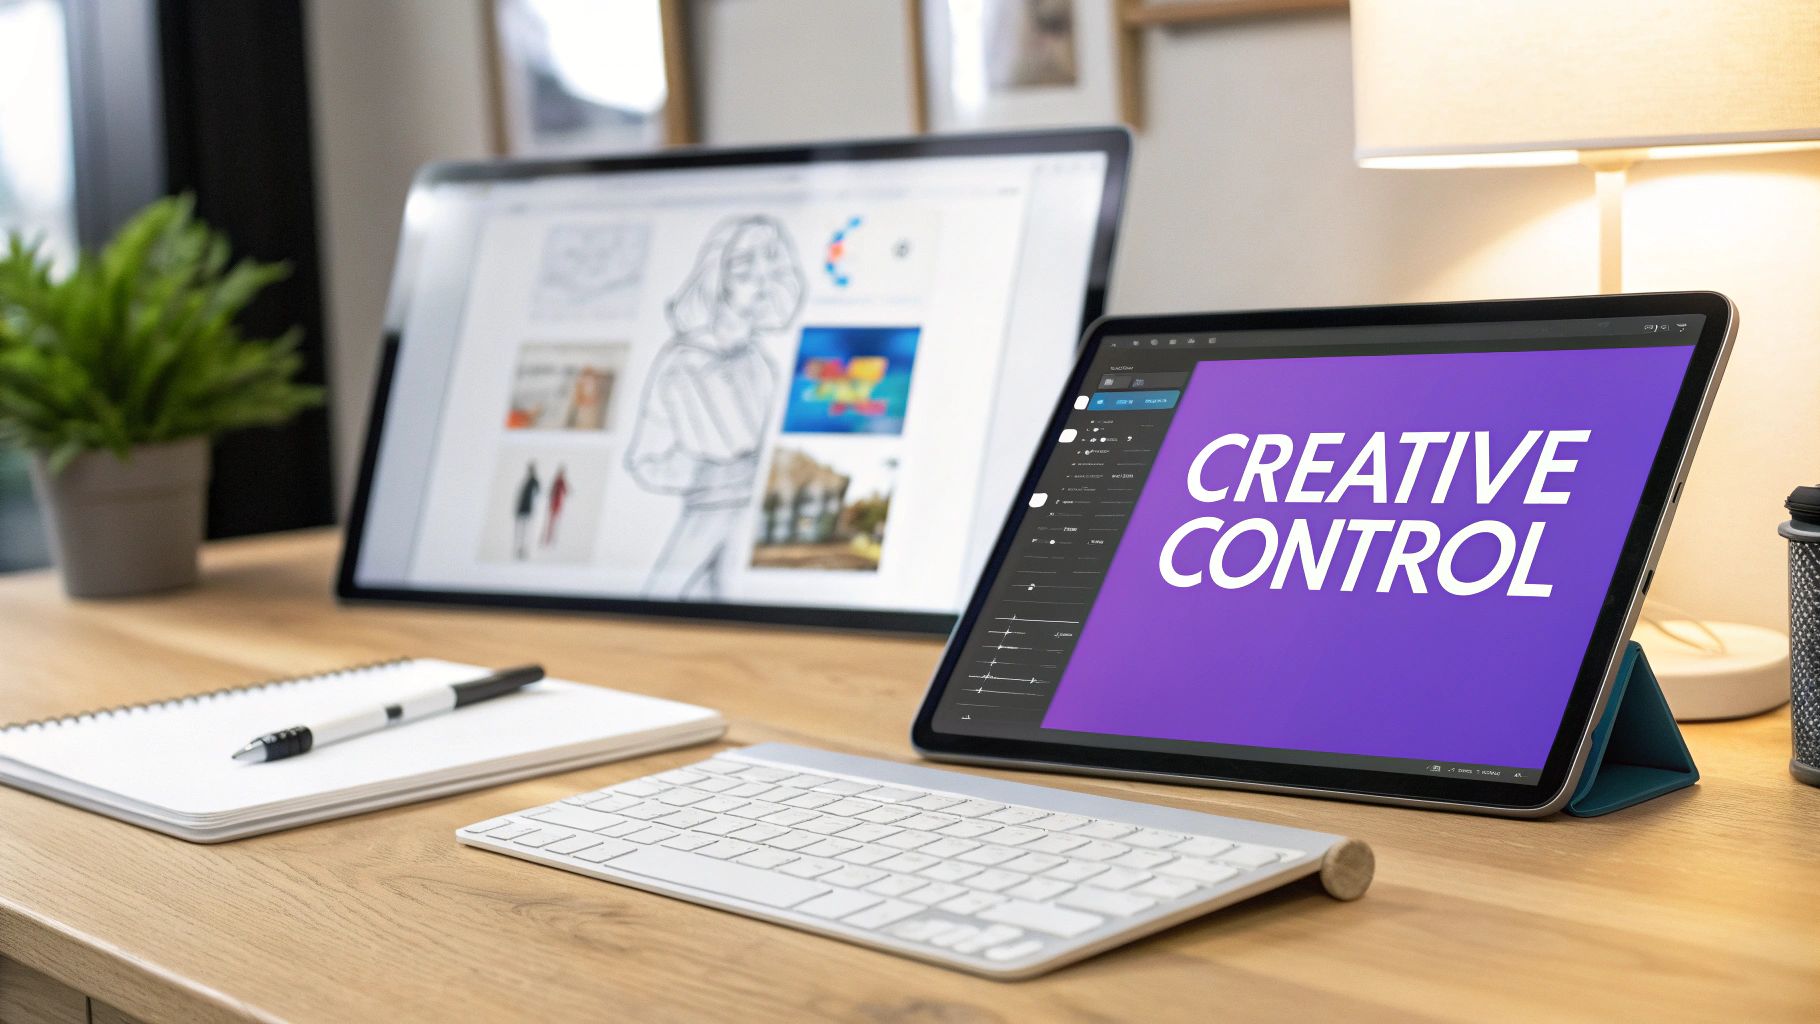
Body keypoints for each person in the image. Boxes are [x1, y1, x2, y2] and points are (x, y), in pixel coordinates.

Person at [624, 216, 805, 598]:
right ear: (718, 275)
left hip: (749, 517)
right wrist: (708, 474)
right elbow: (648, 458)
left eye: (770, 264)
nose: (760, 280)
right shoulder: (684, 362)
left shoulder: (762, 366)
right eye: (744, 267)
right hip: (708, 510)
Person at [513, 461, 540, 560]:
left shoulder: (534, 481)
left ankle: (524, 550)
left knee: (526, 531)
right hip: (522, 508)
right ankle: (519, 550)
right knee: (520, 530)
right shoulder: (526, 481)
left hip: (528, 509)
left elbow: (537, 494)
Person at [543, 464, 569, 547]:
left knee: (554, 522)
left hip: (557, 504)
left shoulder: (561, 481)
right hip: (554, 503)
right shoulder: (557, 481)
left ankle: (551, 539)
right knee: (551, 522)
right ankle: (548, 539)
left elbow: (566, 491)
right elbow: (551, 492)